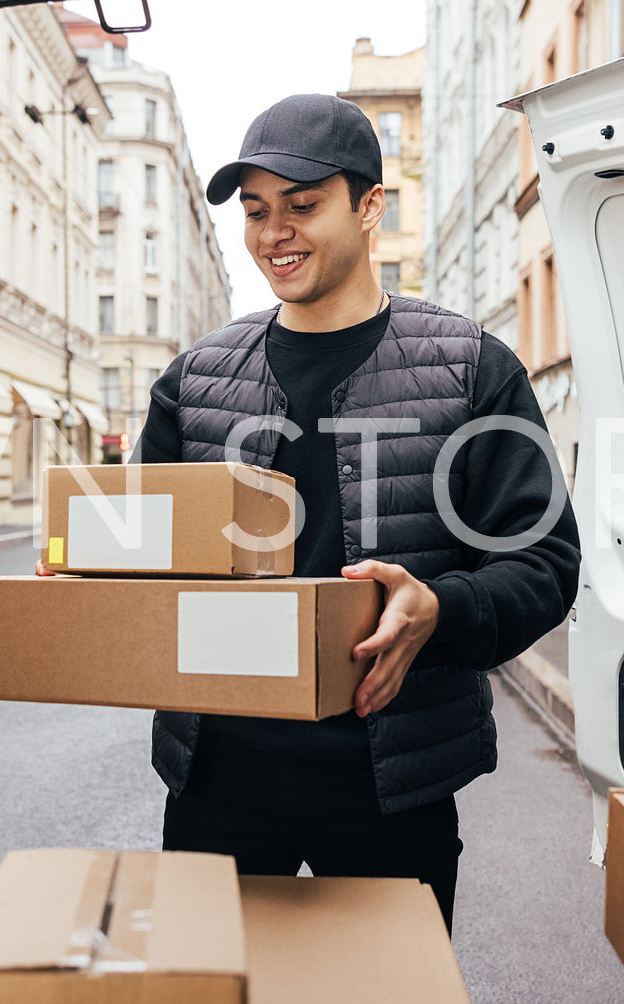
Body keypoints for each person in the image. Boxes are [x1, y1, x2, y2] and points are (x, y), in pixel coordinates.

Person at [137, 93, 579, 932]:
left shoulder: (469, 369)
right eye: (257, 211)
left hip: (390, 782)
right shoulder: (193, 380)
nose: (274, 233)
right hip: (217, 779)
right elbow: (140, 551)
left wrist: (442, 607)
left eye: (302, 206)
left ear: (370, 206)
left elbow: (544, 561)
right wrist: (87, 572)